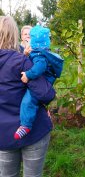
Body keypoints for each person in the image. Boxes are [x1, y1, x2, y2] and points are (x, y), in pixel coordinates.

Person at [0, 16, 55, 176]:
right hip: (34, 130)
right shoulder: (21, 61)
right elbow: (46, 94)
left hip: (3, 134)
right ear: (14, 35)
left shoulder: (20, 59)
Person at [14, 25, 64, 139]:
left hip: (41, 82)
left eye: (30, 35)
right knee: (34, 101)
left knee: (28, 101)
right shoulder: (39, 51)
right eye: (25, 34)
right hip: (44, 81)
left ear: (34, 41)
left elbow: (39, 68)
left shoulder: (38, 55)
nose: (27, 37)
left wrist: (28, 74)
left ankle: (26, 125)